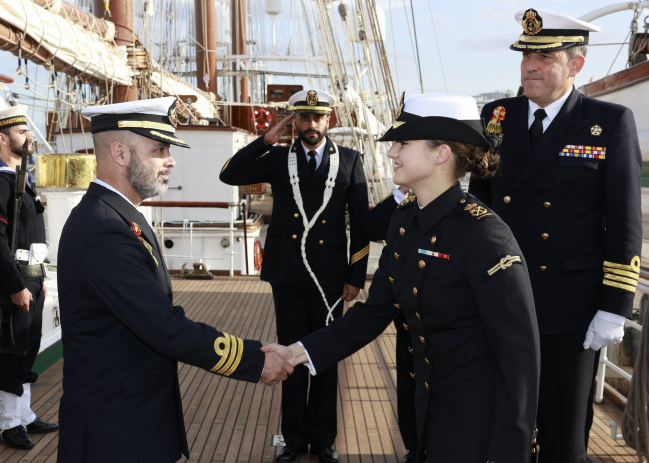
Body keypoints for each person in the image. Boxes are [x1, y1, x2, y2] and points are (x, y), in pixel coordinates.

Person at [269, 93, 541, 462]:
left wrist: (513, 449)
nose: (392, 152)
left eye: (403, 143)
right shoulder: (405, 220)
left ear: (440, 153)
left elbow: (519, 357)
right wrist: (297, 352)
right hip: (422, 410)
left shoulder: (484, 236)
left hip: (475, 424)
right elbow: (373, 313)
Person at [56, 96, 293, 463]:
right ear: (119, 153)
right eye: (159, 149)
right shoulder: (104, 229)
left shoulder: (116, 217)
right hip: (114, 434)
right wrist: (253, 359)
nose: (170, 161)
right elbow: (164, 327)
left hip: (131, 423)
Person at [468, 9, 643, 462]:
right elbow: (480, 207)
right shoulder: (496, 116)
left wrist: (615, 307)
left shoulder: (607, 121)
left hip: (571, 307)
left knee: (564, 436)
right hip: (502, 296)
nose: (530, 66)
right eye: (526, 56)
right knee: (501, 423)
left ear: (576, 65)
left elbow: (624, 222)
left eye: (545, 57)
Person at [219, 89, 370, 463]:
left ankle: (324, 441)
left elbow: (362, 226)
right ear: (295, 122)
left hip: (330, 279)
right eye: (304, 118)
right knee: (289, 357)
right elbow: (229, 174)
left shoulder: (350, 161)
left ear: (329, 119)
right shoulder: (277, 157)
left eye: (318, 118)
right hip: (288, 274)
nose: (311, 125)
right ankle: (294, 438)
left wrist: (356, 275)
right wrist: (263, 140)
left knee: (326, 357)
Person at [0, 105, 58, 450]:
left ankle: (24, 414)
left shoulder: (19, 181)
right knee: (12, 350)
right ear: (2, 138)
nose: (30, 136)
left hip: (31, 278)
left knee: (27, 349)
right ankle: (10, 423)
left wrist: (36, 277)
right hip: (15, 282)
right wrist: (13, 286)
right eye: (22, 132)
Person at [364, 186, 422, 463]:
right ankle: (414, 448)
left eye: (404, 146)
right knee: (409, 380)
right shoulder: (403, 205)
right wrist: (401, 194)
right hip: (407, 317)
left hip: (444, 325)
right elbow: (371, 227)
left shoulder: (467, 212)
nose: (393, 153)